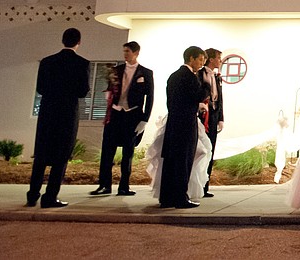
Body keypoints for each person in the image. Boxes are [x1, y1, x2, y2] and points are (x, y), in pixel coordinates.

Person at [27, 28, 90, 208]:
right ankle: (50, 196)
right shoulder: (82, 63)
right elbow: (83, 91)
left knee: (41, 154)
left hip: (47, 113)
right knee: (61, 156)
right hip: (67, 115)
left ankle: (32, 194)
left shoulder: (47, 62)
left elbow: (40, 88)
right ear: (79, 42)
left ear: (62, 40)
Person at [90, 41, 154, 197]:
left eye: (128, 51)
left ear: (136, 53)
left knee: (128, 153)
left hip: (132, 116)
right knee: (107, 151)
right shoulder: (116, 70)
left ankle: (124, 186)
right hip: (115, 115)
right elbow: (110, 90)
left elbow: (150, 97)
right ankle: (104, 185)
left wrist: (144, 120)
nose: (125, 54)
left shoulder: (145, 73)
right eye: (124, 51)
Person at [158, 46, 208, 209]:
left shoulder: (173, 76)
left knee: (171, 160)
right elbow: (197, 95)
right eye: (200, 59)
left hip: (173, 122)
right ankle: (180, 197)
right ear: (191, 58)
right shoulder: (190, 77)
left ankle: (166, 197)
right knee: (184, 160)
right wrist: (206, 88)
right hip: (186, 123)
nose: (202, 63)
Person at [197, 47, 224, 198]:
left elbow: (221, 99)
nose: (220, 61)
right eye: (219, 58)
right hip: (202, 116)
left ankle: (205, 186)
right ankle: (196, 184)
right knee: (200, 149)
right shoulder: (199, 74)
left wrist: (221, 118)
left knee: (211, 150)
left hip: (213, 116)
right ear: (211, 59)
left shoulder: (217, 77)